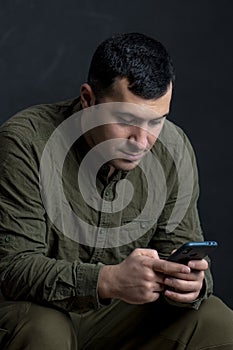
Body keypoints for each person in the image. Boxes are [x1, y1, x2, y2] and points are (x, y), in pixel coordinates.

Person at [0, 32, 232, 350]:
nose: (142, 141)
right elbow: (12, 268)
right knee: (46, 328)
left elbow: (180, 255)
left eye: (156, 122)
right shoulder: (24, 142)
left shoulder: (172, 150)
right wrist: (109, 280)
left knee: (216, 320)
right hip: (29, 313)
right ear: (88, 99)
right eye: (126, 119)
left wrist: (190, 285)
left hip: (114, 318)